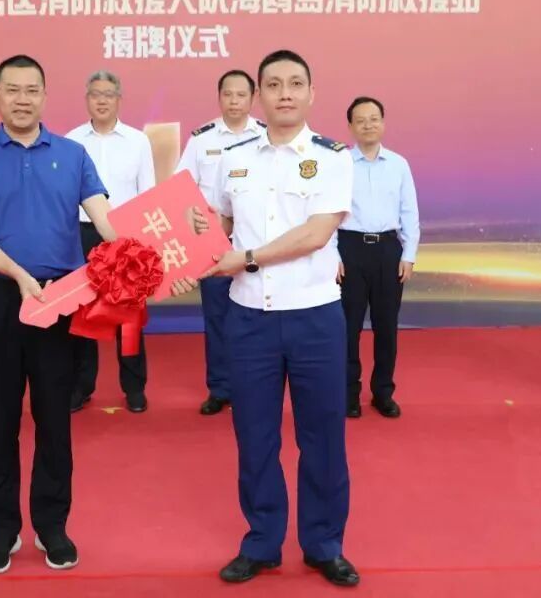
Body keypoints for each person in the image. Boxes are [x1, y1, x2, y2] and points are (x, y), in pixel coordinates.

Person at [173, 49, 359, 587]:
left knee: (322, 437)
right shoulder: (232, 157)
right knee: (255, 437)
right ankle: (261, 541)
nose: (284, 94)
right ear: (258, 95)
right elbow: (213, 221)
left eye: (295, 83)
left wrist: (247, 258)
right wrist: (182, 257)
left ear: (311, 93)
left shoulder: (332, 158)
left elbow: (315, 234)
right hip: (249, 317)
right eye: (273, 84)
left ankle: (324, 545)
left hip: (314, 316)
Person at [0, 54, 115, 575]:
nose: (22, 100)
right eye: (12, 90)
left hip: (60, 303)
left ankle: (52, 526)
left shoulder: (73, 154)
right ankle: (1, 531)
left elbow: (107, 222)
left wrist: (154, 256)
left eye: (31, 90)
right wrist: (21, 277)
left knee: (55, 422)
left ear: (45, 96)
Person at [175, 69, 267, 415]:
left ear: (252, 98)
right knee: (217, 318)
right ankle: (220, 387)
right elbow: (181, 187)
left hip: (254, 241)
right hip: (212, 243)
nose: (234, 101)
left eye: (241, 95)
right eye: (227, 94)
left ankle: (254, 387)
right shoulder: (202, 139)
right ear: (219, 97)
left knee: (255, 316)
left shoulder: (266, 136)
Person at [65, 70, 155, 413]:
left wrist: (144, 242)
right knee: (83, 314)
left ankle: (134, 386)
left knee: (128, 317)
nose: (101, 100)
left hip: (125, 237)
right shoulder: (72, 141)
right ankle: (81, 385)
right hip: (82, 233)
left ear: (119, 99)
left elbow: (148, 193)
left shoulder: (138, 141)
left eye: (108, 94)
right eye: (95, 94)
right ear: (86, 99)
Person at [337, 96, 420, 419]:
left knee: (387, 326)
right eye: (360, 120)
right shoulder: (340, 163)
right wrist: (332, 254)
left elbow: (409, 211)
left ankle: (383, 392)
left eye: (374, 119)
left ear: (383, 123)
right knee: (348, 327)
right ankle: (348, 393)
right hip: (349, 249)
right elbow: (329, 213)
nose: (368, 125)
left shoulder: (399, 164)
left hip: (388, 250)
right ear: (350, 126)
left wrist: (409, 254)